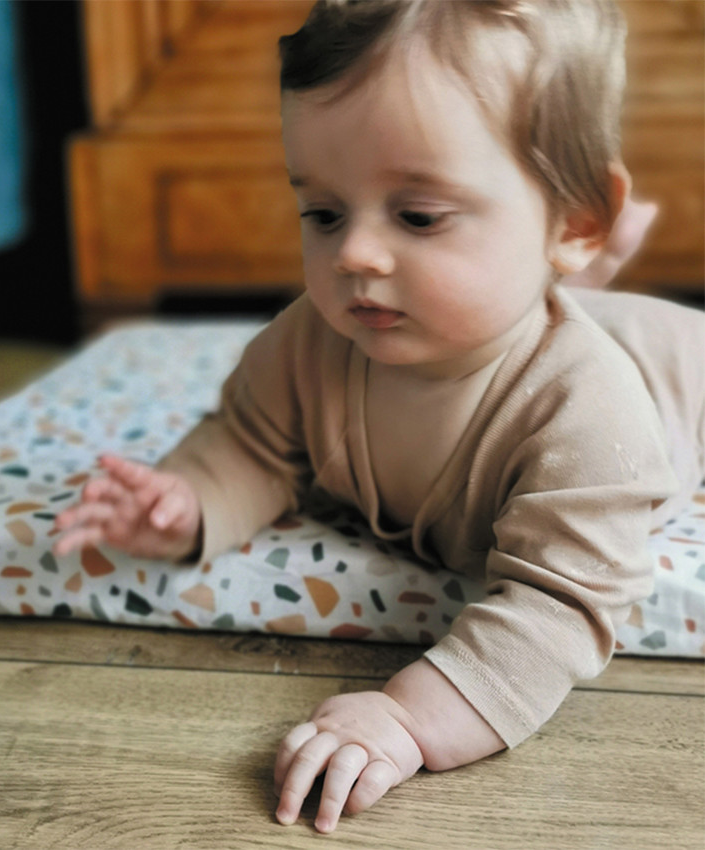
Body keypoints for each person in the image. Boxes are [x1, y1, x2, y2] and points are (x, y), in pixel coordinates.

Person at [55, 0, 705, 834]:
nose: (353, 255)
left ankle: (584, 281)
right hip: (546, 291)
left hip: (676, 372)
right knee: (511, 297)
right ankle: (566, 278)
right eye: (323, 214)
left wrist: (407, 718)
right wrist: (186, 503)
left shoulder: (586, 413)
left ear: (575, 216)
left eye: (418, 216)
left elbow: (555, 610)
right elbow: (255, 443)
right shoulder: (313, 342)